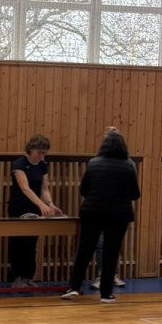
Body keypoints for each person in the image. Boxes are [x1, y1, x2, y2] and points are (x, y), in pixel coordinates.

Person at [62, 129, 140, 302]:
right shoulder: (128, 164)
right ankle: (106, 294)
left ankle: (74, 288)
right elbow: (135, 194)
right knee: (111, 252)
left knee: (84, 249)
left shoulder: (93, 163)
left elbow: (84, 189)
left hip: (92, 211)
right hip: (118, 214)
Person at [7, 134, 61, 286]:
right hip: (19, 207)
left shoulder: (42, 165)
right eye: (39, 152)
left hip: (34, 208)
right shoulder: (19, 164)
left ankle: (27, 276)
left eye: (44, 153)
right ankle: (16, 277)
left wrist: (50, 204)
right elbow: (25, 188)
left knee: (31, 243)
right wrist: (41, 205)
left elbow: (44, 188)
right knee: (18, 242)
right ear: (31, 149)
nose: (41, 156)